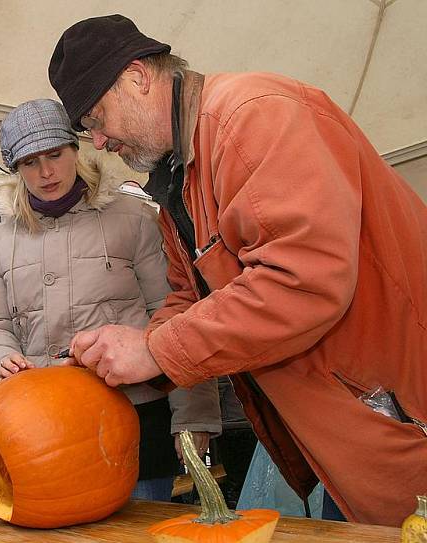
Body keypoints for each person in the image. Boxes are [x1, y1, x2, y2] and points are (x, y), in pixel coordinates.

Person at [49, 14, 427, 526]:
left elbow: (303, 280)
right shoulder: (177, 184)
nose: (98, 141)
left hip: (402, 417)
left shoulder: (256, 117)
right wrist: (134, 351)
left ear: (138, 77)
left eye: (96, 119)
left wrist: (155, 350)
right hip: (349, 433)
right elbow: (190, 296)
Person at [0, 98, 220, 501]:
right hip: (44, 425)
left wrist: (194, 415)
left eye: (55, 154)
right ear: (16, 169)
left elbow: (175, 315)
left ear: (76, 149)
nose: (46, 172)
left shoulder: (136, 219)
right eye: (30, 162)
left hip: (137, 418)